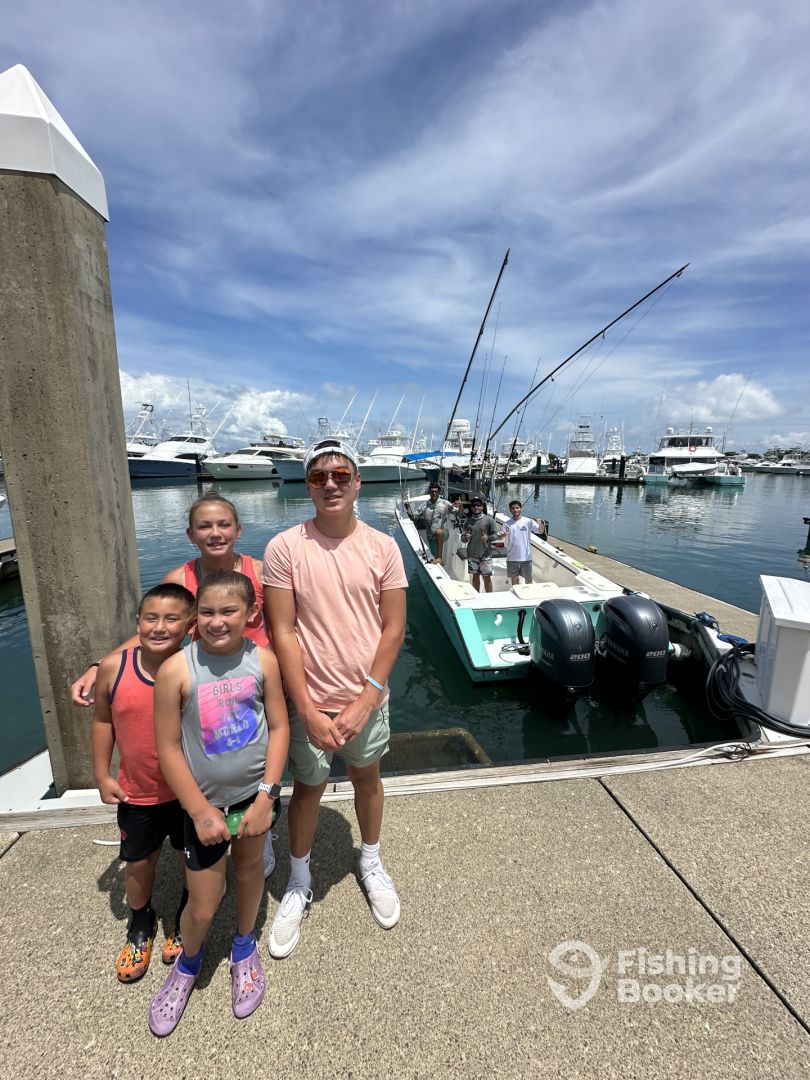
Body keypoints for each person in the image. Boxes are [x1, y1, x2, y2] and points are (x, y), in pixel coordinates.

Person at [70, 491, 278, 877]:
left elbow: (286, 626)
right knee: (213, 757)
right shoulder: (180, 579)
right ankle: (205, 819)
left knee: (258, 758)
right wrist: (101, 664)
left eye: (223, 524)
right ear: (190, 534)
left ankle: (258, 830)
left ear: (238, 530)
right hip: (207, 687)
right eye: (204, 526)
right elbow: (162, 630)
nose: (215, 533)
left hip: (256, 683)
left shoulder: (263, 572)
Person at [262, 438, 407, 958]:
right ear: (308, 486)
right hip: (311, 700)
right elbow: (282, 631)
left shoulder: (383, 547)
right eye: (319, 477)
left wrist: (367, 699)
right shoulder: (285, 547)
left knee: (368, 778)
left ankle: (370, 860)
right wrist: (304, 707)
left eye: (340, 475)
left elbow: (393, 628)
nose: (330, 484)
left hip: (366, 698)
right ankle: (299, 877)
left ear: (357, 482)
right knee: (308, 788)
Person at [149, 570, 289, 1036]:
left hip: (254, 798)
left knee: (249, 872)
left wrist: (268, 795)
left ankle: (244, 946)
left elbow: (279, 728)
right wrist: (199, 811)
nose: (217, 621)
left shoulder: (263, 661)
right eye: (206, 612)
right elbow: (169, 747)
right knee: (204, 902)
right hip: (204, 807)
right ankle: (187, 963)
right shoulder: (176, 670)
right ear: (195, 617)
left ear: (251, 613)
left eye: (229, 611)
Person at [92, 582, 196, 983]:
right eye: (151, 618)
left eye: (172, 619)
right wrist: (102, 773)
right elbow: (103, 721)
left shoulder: (196, 666)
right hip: (137, 791)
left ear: (189, 625)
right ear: (137, 622)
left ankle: (186, 912)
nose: (159, 627)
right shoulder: (113, 668)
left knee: (190, 858)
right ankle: (140, 922)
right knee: (138, 862)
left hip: (190, 791)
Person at [496, 499, 547, 585]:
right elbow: (500, 537)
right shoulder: (507, 524)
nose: (515, 510)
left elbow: (540, 531)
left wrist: (540, 523)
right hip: (512, 557)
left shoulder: (528, 521)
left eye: (517, 507)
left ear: (521, 509)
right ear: (510, 510)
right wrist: (503, 535)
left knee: (529, 580)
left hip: (526, 557)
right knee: (515, 581)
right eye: (513, 508)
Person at [404, 481, 453, 562]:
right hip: (430, 536)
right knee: (433, 556)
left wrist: (461, 507)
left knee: (439, 532)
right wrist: (408, 509)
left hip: (443, 533)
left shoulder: (446, 503)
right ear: (429, 493)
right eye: (432, 491)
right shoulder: (424, 505)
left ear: (439, 492)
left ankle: (439, 558)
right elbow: (414, 518)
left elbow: (459, 513)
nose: (434, 493)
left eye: (436, 491)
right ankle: (439, 562)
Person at [461, 495, 498, 593]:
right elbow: (463, 539)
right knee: (475, 576)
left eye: (478, 505)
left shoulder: (489, 520)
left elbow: (496, 536)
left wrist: (488, 538)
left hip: (486, 555)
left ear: (482, 507)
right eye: (474, 505)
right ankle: (476, 596)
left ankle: (489, 597)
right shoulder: (468, 521)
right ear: (471, 507)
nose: (476, 507)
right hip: (472, 554)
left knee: (487, 578)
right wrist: (466, 537)